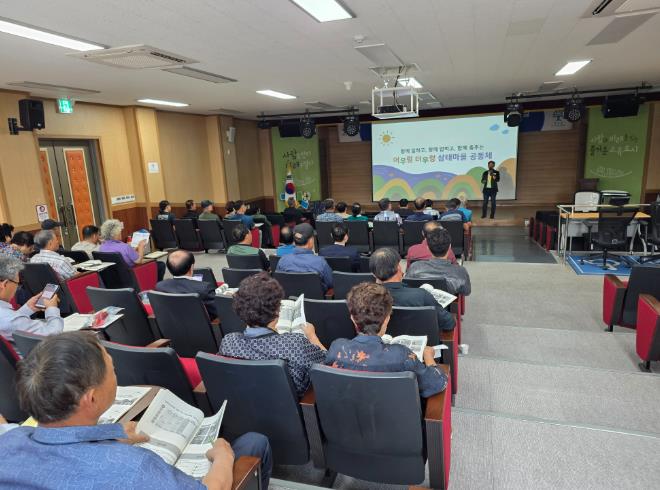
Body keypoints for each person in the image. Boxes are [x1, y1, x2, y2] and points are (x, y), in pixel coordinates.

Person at [0, 331, 272, 489]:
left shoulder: (9, 441)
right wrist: (223, 456)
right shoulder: (133, 468)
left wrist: (111, 438)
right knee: (254, 442)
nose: (115, 373)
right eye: (112, 368)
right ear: (91, 399)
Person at [325, 282, 448, 398]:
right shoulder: (402, 356)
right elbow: (438, 383)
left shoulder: (336, 348)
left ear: (352, 318)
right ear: (387, 319)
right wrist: (428, 356)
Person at [219, 272, 326, 397]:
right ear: (277, 311)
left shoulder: (228, 342)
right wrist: (312, 335)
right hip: (294, 403)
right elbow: (328, 362)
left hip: (247, 400)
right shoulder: (295, 344)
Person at [370, 248, 454, 331]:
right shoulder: (422, 296)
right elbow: (449, 323)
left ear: (374, 274)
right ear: (399, 267)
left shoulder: (367, 300)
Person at [0, 256, 63, 341]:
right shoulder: (11, 320)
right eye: (17, 283)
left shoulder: (8, 318)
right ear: (4, 284)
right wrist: (52, 308)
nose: (17, 287)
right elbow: (54, 336)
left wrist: (28, 308)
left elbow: (11, 322)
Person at [405, 226, 471, 296]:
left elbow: (407, 287)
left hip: (421, 301)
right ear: (450, 247)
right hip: (449, 302)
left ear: (428, 248)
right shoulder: (460, 271)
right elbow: (466, 292)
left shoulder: (415, 267)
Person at [155, 250, 218, 320]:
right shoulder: (204, 288)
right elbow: (218, 310)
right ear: (191, 267)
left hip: (171, 324)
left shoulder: (160, 286)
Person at [98, 219, 166, 281]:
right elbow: (138, 261)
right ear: (116, 234)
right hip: (132, 275)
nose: (121, 233)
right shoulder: (125, 247)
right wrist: (141, 247)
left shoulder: (102, 247)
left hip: (114, 278)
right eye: (120, 231)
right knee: (160, 265)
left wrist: (134, 249)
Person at [276, 223, 333, 293]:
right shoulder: (320, 262)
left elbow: (278, 282)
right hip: (314, 299)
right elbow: (331, 283)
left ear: (294, 241)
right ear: (311, 240)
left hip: (291, 298)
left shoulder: (283, 260)